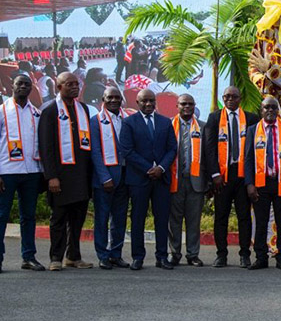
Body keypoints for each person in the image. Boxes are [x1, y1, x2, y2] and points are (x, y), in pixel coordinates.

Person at [0, 75, 45, 274]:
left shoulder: (36, 114)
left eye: (27, 84)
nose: (23, 87)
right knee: (1, 216)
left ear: (31, 88)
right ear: (12, 86)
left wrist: (42, 172)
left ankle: (28, 257)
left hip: (31, 172)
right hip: (6, 173)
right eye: (20, 83)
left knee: (28, 216)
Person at [38, 72, 94, 271]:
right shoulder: (50, 111)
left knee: (77, 219)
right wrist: (51, 176)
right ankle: (56, 257)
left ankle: (73, 256)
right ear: (59, 87)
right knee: (59, 219)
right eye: (69, 84)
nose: (74, 87)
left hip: (81, 175)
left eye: (76, 84)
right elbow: (46, 147)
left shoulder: (83, 109)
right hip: (60, 176)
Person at [119, 88, 178, 270]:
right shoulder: (129, 123)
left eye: (151, 100)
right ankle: (138, 257)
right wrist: (148, 168)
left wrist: (160, 168)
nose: (148, 104)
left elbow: (172, 149)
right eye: (144, 101)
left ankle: (162, 257)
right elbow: (127, 150)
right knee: (138, 219)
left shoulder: (165, 122)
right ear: (137, 102)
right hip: (138, 179)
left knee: (162, 219)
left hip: (161, 178)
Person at [204, 86, 259, 268]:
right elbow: (209, 148)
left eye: (234, 96)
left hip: (243, 175)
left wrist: (251, 179)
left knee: (244, 216)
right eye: (227, 96)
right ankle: (221, 255)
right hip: (222, 176)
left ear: (239, 98)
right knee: (221, 216)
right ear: (223, 98)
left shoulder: (251, 119)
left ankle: (245, 254)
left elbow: (256, 150)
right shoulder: (214, 118)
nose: (230, 99)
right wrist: (215, 174)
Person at [245, 95, 281, 270]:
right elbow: (248, 158)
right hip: (260, 183)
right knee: (261, 222)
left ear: (278, 111)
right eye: (267, 107)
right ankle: (261, 257)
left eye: (273, 107)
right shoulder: (252, 130)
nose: (270, 110)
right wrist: (250, 184)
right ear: (261, 110)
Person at [88, 87, 130, 270]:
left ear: (121, 100)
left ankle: (116, 254)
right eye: (109, 97)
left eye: (117, 97)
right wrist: (104, 177)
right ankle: (103, 255)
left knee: (120, 218)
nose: (113, 100)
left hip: (124, 177)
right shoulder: (95, 121)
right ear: (103, 99)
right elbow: (95, 151)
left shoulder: (127, 119)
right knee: (102, 218)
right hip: (104, 178)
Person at [168, 94, 207, 267]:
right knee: (174, 221)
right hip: (175, 180)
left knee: (193, 221)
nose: (187, 107)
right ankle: (174, 253)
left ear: (194, 106)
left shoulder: (203, 127)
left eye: (190, 104)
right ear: (177, 105)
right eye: (183, 104)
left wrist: (209, 182)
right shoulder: (168, 125)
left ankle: (193, 254)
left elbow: (208, 156)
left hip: (196, 181)